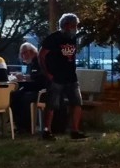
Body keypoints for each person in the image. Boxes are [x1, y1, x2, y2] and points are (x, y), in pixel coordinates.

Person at [39, 13, 88, 141]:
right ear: (66, 25)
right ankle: (47, 131)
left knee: (77, 102)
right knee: (52, 104)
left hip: (71, 76)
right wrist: (47, 73)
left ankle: (75, 130)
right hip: (56, 77)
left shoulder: (72, 38)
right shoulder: (53, 38)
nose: (75, 28)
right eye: (74, 25)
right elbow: (42, 55)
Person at [11, 42, 47, 133]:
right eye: (21, 54)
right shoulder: (31, 63)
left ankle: (25, 126)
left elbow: (39, 77)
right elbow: (31, 76)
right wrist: (23, 76)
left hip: (41, 90)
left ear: (31, 52)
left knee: (23, 98)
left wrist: (24, 77)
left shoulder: (39, 61)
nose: (22, 56)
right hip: (33, 88)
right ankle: (18, 124)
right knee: (15, 96)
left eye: (23, 53)